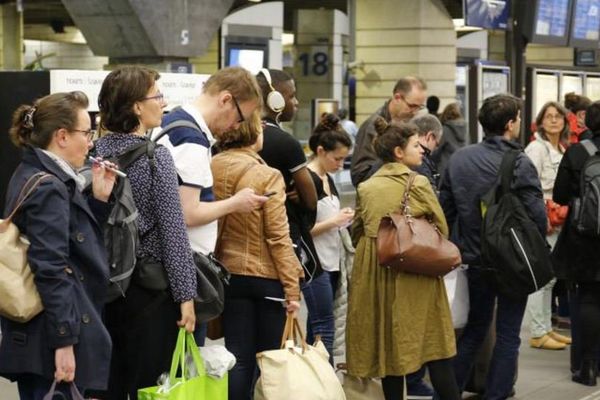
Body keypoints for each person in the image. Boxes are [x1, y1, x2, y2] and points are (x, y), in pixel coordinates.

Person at [0, 91, 115, 399]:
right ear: (62, 136)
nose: (90, 142)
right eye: (86, 132)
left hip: (41, 332)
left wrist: (99, 201)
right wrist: (64, 342)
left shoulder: (32, 173)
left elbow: (72, 242)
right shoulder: (49, 186)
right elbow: (52, 267)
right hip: (52, 337)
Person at [94, 66, 197, 399]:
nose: (163, 103)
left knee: (109, 383)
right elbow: (173, 231)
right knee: (151, 387)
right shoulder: (156, 158)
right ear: (137, 107)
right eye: (158, 96)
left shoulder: (93, 155)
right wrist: (186, 296)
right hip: (148, 290)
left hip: (103, 288)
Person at [440, 94, 546, 399]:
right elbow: (536, 214)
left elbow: (445, 209)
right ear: (511, 124)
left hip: (474, 257)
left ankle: (449, 392)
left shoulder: (459, 158)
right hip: (511, 260)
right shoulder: (519, 161)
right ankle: (496, 394)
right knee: (509, 334)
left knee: (474, 329)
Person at [346, 118, 460, 400]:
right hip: (416, 270)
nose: (421, 149)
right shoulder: (417, 181)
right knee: (435, 345)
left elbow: (357, 230)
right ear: (399, 152)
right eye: (414, 144)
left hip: (376, 271)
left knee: (388, 350)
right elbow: (441, 227)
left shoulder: (367, 186)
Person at [152, 67, 268, 344]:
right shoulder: (192, 140)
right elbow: (187, 214)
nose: (237, 126)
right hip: (184, 268)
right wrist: (236, 203)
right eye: (240, 116)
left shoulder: (172, 123)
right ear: (225, 99)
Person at [211, 109, 303, 400]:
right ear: (252, 133)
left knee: (237, 357)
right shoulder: (267, 175)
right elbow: (278, 236)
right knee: (269, 361)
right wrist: (292, 288)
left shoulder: (210, 165)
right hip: (267, 278)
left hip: (228, 274)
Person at [255, 68, 321, 281]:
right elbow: (310, 201)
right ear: (275, 99)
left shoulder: (233, 135)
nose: (296, 102)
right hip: (282, 232)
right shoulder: (285, 142)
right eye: (291, 96)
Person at [553, 100, 600, 386]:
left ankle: (587, 366)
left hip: (584, 238)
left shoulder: (577, 153)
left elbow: (559, 196)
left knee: (589, 300)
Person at [305, 113, 354, 364]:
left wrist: (341, 219)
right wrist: (333, 222)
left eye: (344, 159)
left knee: (318, 324)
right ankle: (325, 379)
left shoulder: (327, 178)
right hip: (314, 264)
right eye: (337, 158)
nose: (340, 165)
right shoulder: (308, 179)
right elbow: (302, 228)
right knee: (324, 325)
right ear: (321, 151)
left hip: (331, 259)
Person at [524, 102, 571, 351]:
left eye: (557, 116)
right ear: (540, 122)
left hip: (558, 217)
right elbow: (530, 186)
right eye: (548, 117)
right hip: (545, 218)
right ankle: (538, 331)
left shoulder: (560, 147)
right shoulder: (536, 148)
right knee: (541, 277)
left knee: (550, 278)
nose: (553, 120)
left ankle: (546, 327)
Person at [350, 76, 427, 187]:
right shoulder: (372, 127)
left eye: (419, 107)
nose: (415, 112)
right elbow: (359, 176)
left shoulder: (407, 123)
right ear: (397, 97)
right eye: (412, 106)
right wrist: (394, 159)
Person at [431, 102, 467, 178]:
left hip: (446, 169)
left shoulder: (444, 130)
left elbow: (436, 151)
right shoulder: (465, 129)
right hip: (462, 168)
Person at [411, 113, 443, 189]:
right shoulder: (419, 161)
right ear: (430, 136)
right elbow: (430, 196)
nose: (435, 149)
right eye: (437, 144)